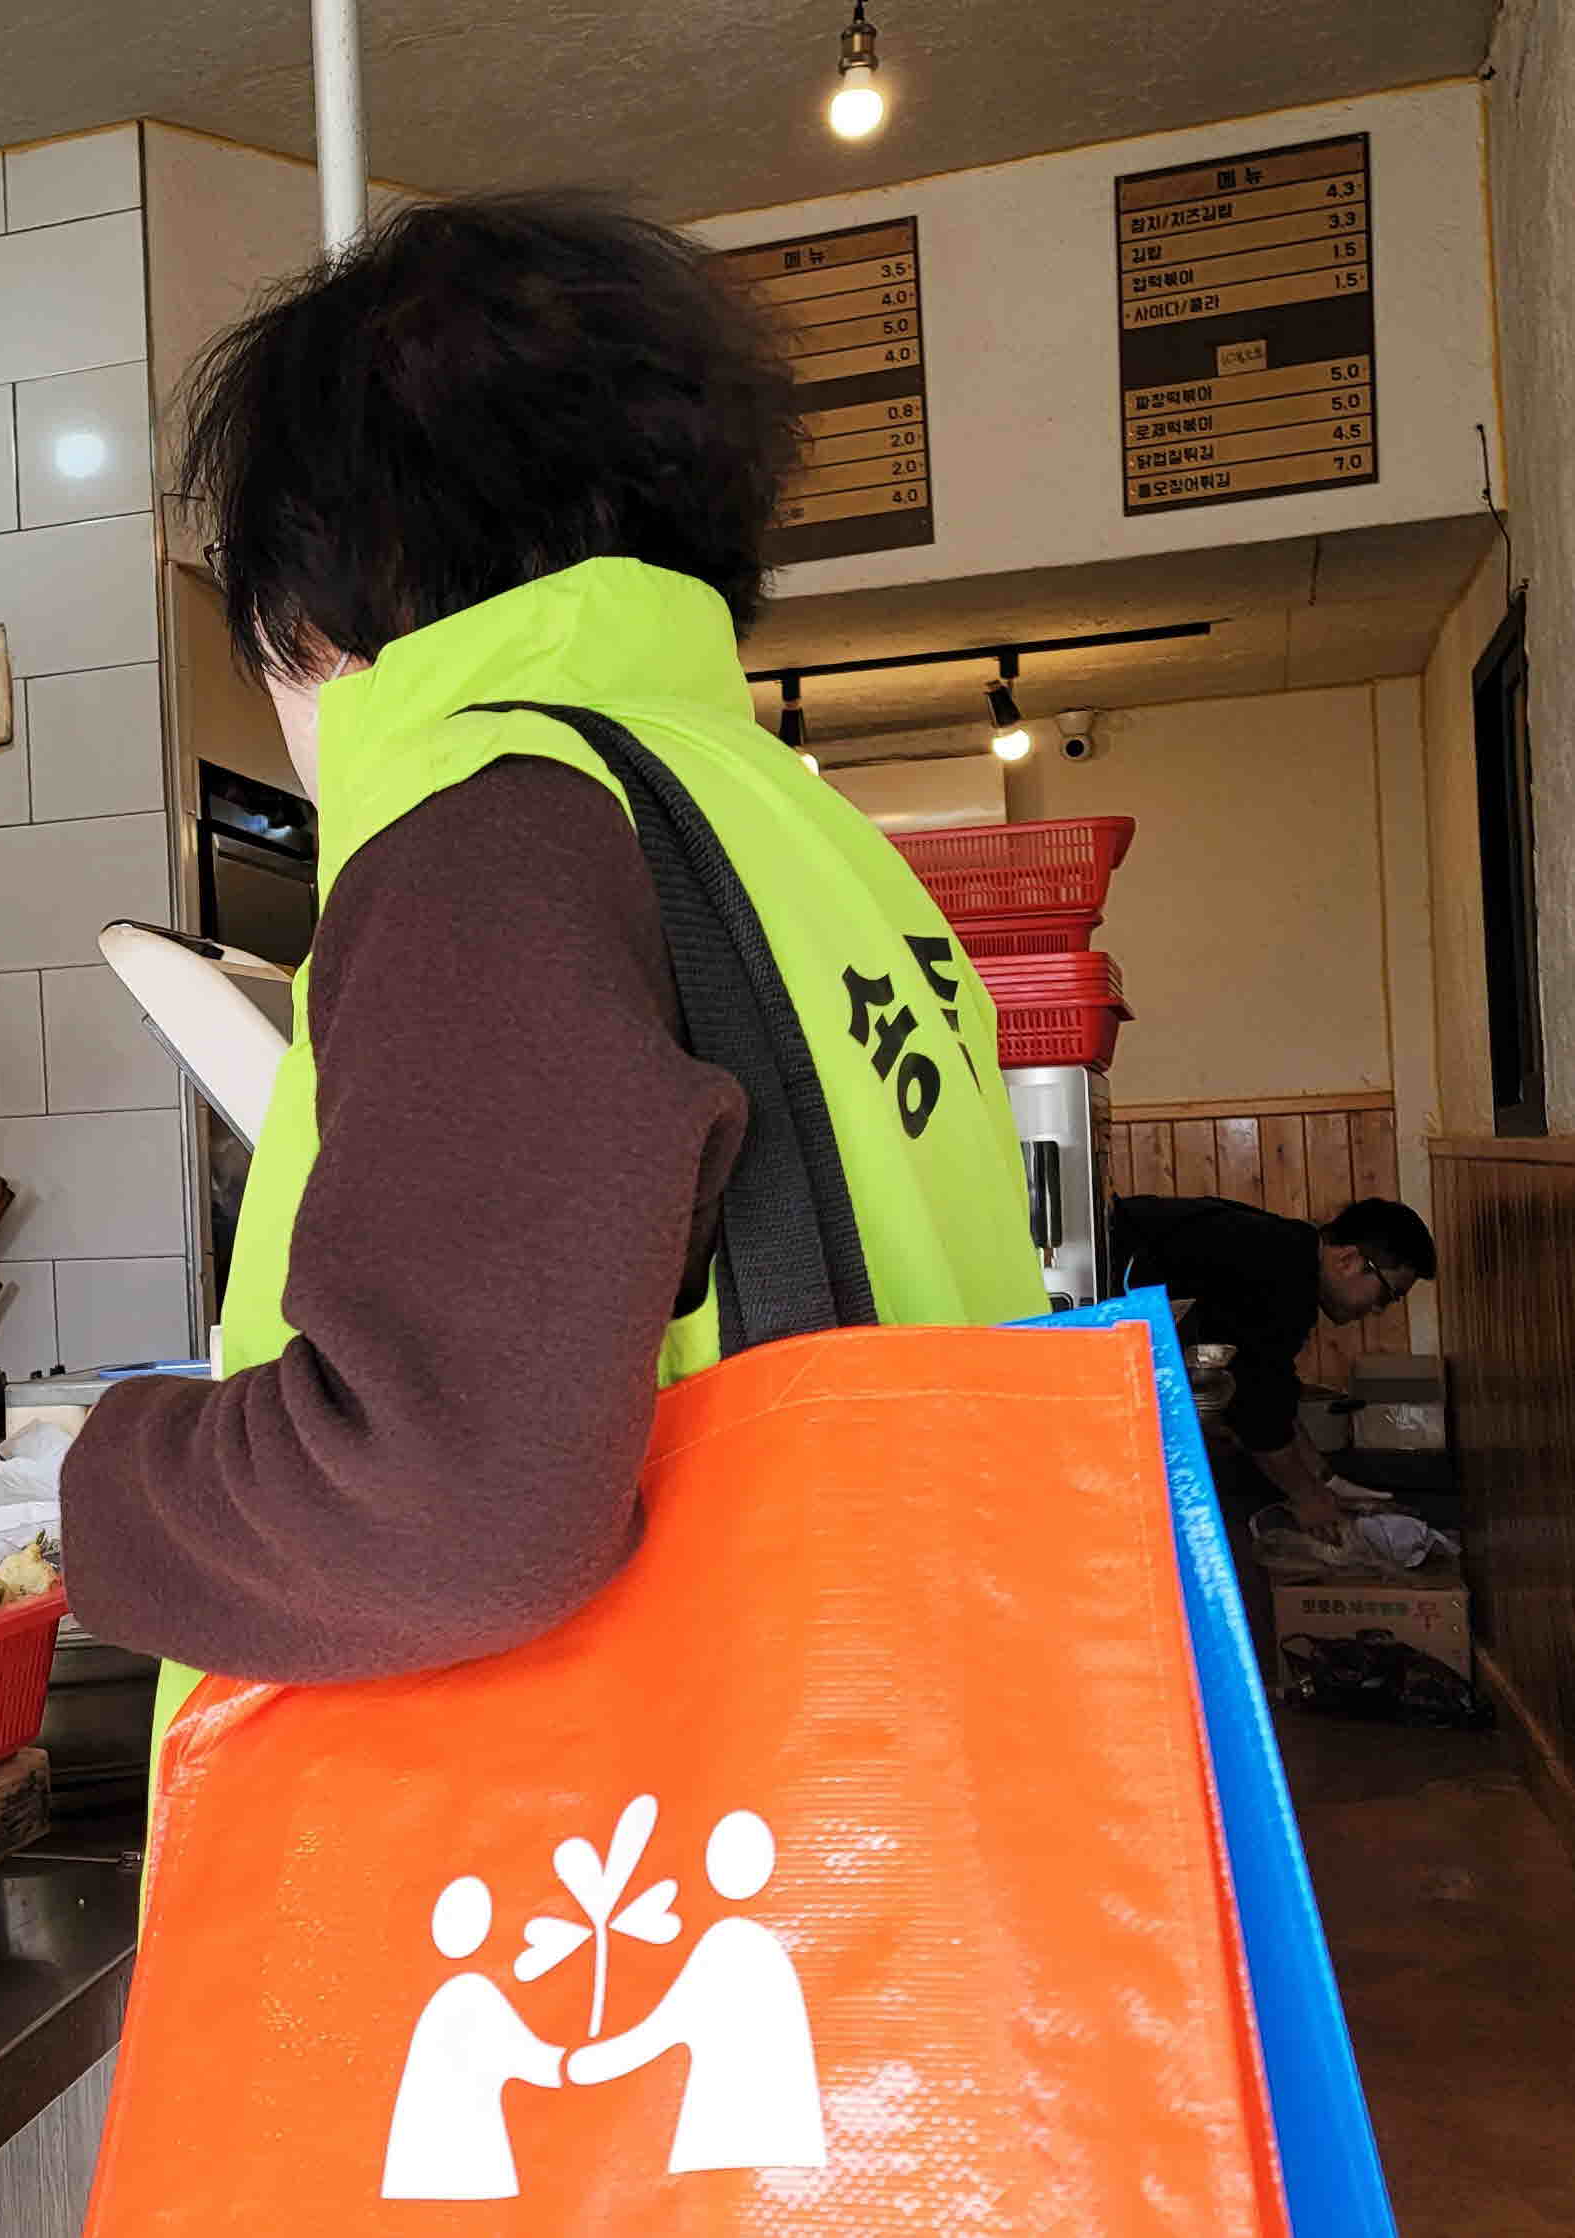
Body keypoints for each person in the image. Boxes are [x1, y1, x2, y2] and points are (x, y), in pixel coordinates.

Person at [60, 194, 1045, 1709]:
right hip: (902, 1728)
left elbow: (432, 1510)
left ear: (318, 602)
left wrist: (106, 1478)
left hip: (644, 1865)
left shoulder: (489, 826)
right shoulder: (785, 818)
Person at [1108, 1193, 1436, 1533]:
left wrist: (1327, 1481)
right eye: (1385, 1295)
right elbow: (1256, 1404)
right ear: (1349, 1260)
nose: (1378, 1310)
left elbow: (1273, 1388)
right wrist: (1307, 1497)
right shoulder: (1282, 1275)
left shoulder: (1290, 1254)